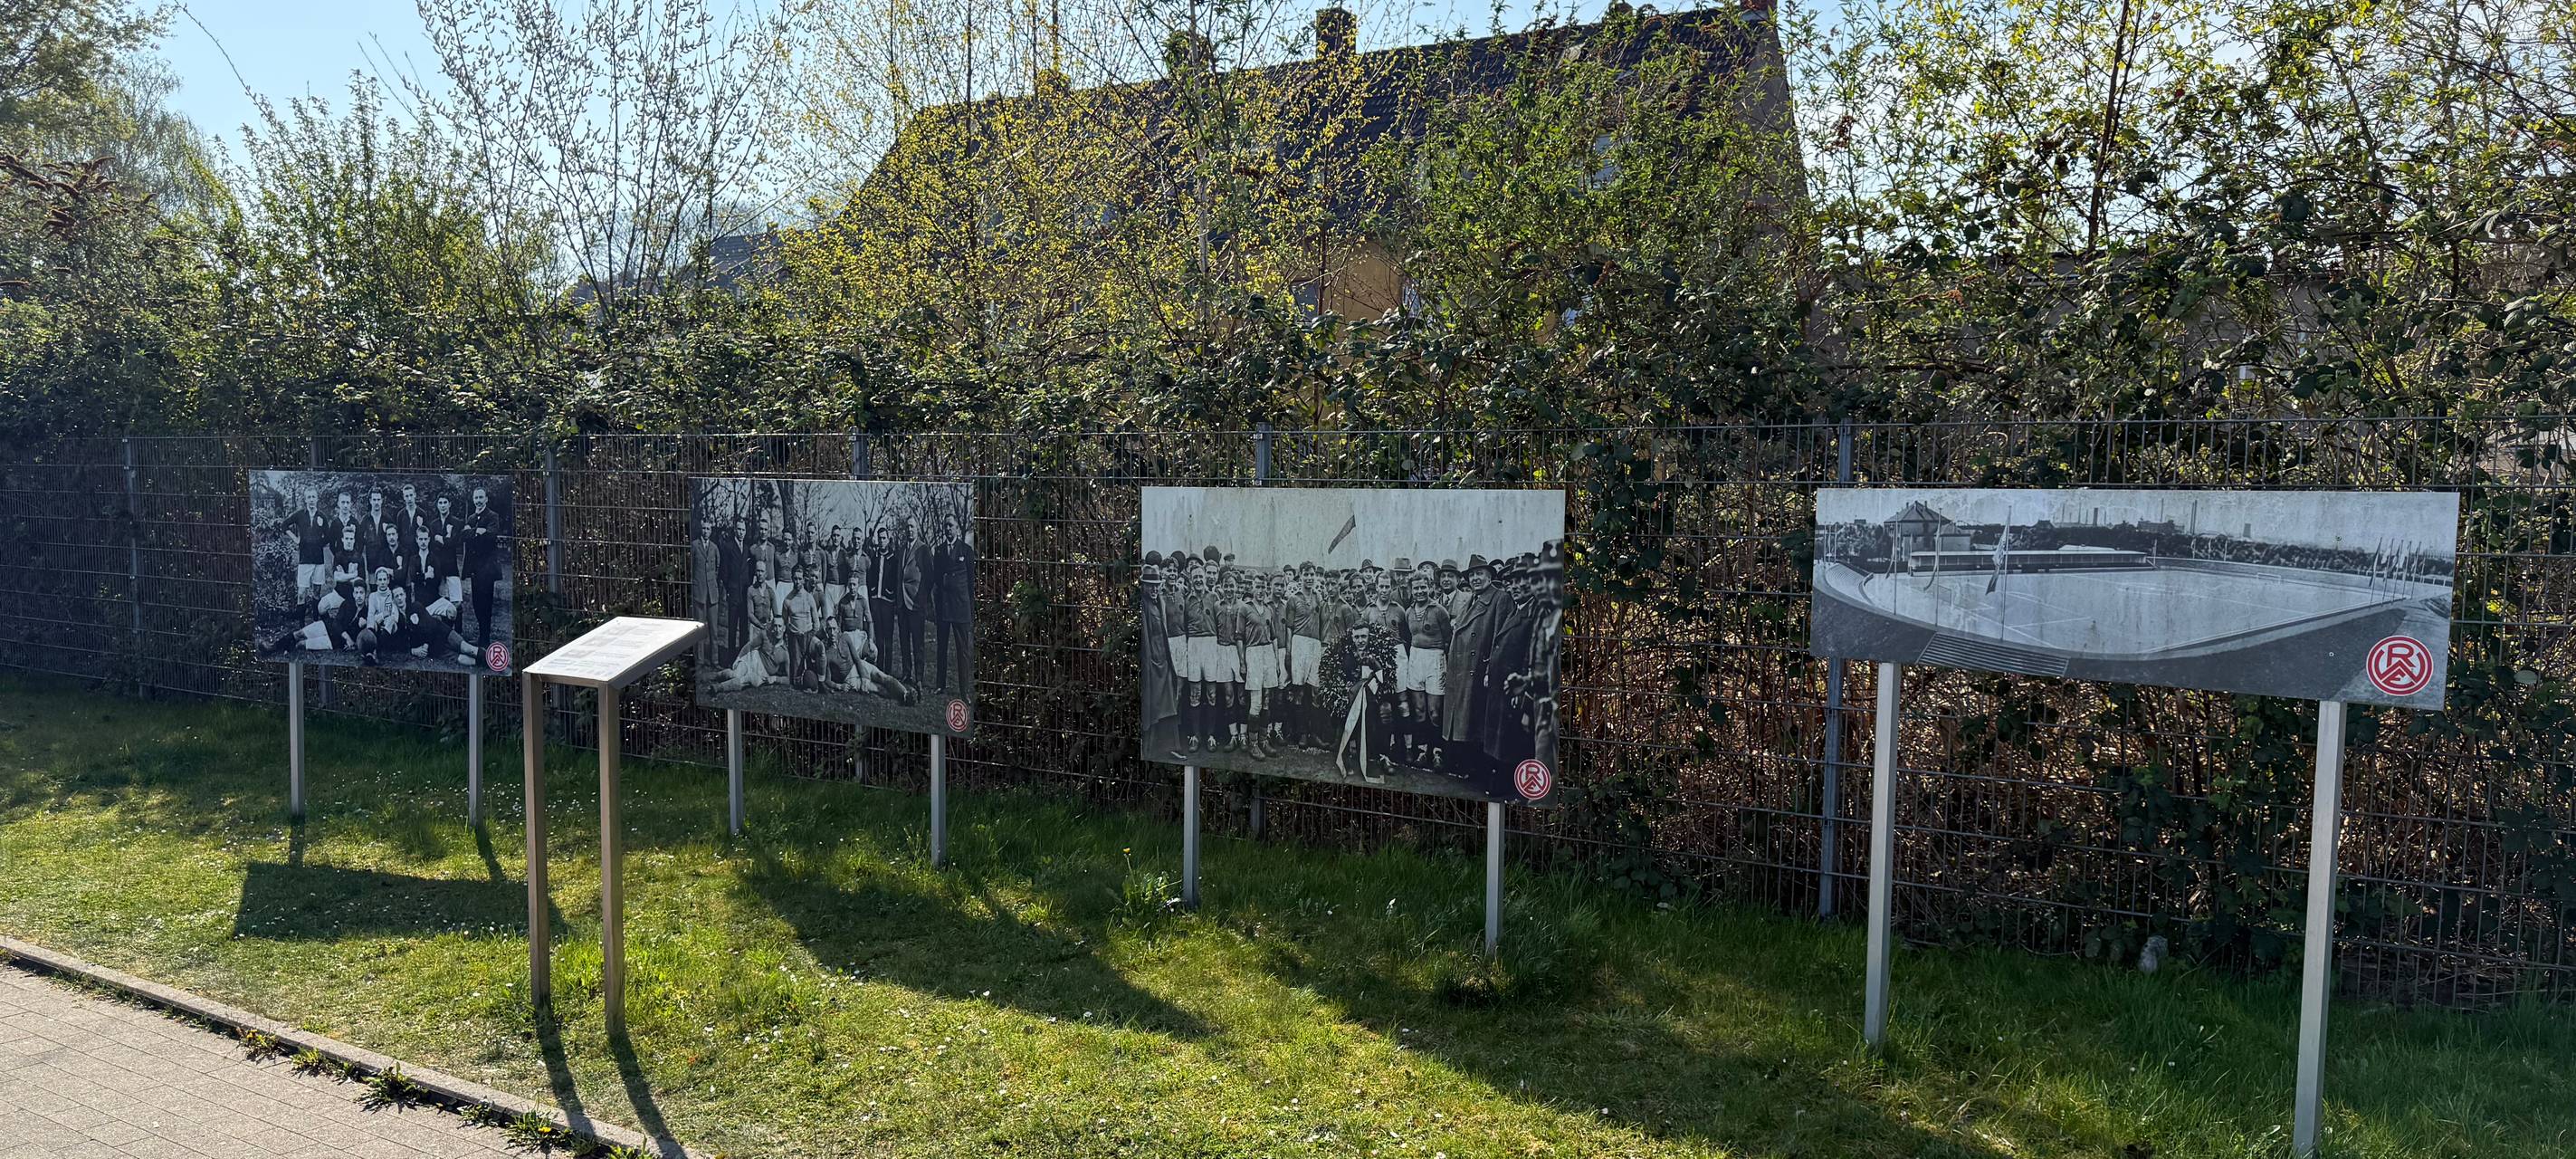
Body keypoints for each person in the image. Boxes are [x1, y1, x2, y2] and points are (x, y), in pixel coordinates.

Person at [1442, 556, 1502, 776]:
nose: (1476, 578)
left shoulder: (1498, 598)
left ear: (1489, 576)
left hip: (1478, 668)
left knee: (1474, 720)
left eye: (1480, 574)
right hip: (1462, 667)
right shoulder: (1473, 599)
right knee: (1463, 718)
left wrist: (1489, 669)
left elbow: (1498, 637)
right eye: (1472, 575)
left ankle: (1476, 770)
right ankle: (1464, 766)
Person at [932, 515, 974, 694]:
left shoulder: (966, 550)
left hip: (961, 607)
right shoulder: (940, 551)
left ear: (957, 528)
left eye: (951, 526)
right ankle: (940, 685)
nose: (948, 529)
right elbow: (936, 577)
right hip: (944, 607)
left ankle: (964, 691)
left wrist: (971, 608)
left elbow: (971, 582)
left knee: (962, 651)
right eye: (946, 526)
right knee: (941, 647)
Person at [463, 485, 503, 651]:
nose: (478, 501)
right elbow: (464, 536)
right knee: (476, 603)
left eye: (481, 497)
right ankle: (481, 636)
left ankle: (485, 639)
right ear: (473, 500)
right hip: (474, 569)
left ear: (486, 499)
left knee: (486, 604)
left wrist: (477, 533)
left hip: (487, 569)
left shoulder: (493, 516)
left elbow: (491, 535)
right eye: (476, 498)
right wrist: (477, 531)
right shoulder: (471, 518)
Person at [900, 519, 932, 687]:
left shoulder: (923, 549)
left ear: (917, 529)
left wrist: (923, 598)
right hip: (902, 603)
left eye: (912, 526)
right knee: (904, 641)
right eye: (907, 527)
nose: (909, 530)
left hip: (916, 603)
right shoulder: (902, 549)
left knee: (918, 643)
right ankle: (907, 673)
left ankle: (919, 678)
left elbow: (930, 576)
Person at [783, 566, 825, 691]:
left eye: (800, 579)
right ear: (792, 579)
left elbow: (816, 622)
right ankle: (806, 677)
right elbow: (785, 623)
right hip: (795, 638)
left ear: (803, 580)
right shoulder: (787, 600)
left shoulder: (809, 597)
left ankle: (822, 682)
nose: (797, 581)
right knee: (796, 680)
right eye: (795, 578)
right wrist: (790, 636)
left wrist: (811, 636)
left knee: (820, 647)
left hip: (809, 636)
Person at [692, 519, 721, 665]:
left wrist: (712, 582)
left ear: (711, 531)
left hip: (712, 594)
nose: (706, 531)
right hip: (699, 593)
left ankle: (714, 659)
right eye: (704, 528)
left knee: (714, 629)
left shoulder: (714, 548)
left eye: (708, 529)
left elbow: (718, 567)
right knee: (700, 628)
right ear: (701, 529)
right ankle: (700, 659)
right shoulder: (694, 546)